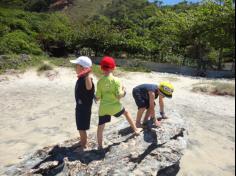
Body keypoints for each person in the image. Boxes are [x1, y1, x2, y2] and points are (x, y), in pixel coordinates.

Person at [96, 56, 142, 149]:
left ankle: (100, 146)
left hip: (103, 108)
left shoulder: (100, 82)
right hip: (115, 106)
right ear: (113, 68)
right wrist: (124, 91)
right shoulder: (117, 80)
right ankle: (136, 130)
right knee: (126, 112)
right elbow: (119, 95)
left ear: (101, 68)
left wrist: (96, 98)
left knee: (100, 127)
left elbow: (98, 97)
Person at [70, 56, 95, 149]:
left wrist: (87, 74)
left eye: (77, 65)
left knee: (82, 128)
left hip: (84, 109)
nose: (75, 67)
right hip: (80, 106)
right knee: (80, 126)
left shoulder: (87, 78)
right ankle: (82, 141)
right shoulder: (81, 78)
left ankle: (84, 145)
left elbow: (89, 87)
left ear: (83, 68)